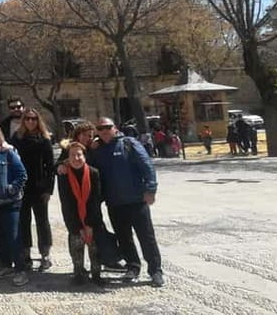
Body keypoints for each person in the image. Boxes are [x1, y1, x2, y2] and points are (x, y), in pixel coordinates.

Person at [94, 117, 164, 287]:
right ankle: (132, 266)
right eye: (100, 128)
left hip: (136, 200)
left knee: (146, 237)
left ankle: (155, 270)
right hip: (114, 203)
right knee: (124, 238)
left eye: (107, 127)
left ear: (115, 128)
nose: (104, 130)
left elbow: (147, 165)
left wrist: (151, 189)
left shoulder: (128, 143)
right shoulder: (98, 150)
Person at [0, 124, 28, 287]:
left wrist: (11, 189)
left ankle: (21, 270)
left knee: (14, 236)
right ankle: (7, 265)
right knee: (1, 236)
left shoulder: (8, 153)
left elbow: (22, 175)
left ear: (1, 137)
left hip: (10, 203)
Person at [11, 108, 55, 272]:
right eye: (27, 119)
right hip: (22, 187)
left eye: (33, 119)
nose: (30, 122)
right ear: (23, 120)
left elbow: (50, 167)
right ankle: (26, 253)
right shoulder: (17, 138)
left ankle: (45, 254)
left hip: (39, 187)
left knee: (42, 221)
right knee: (23, 221)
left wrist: (49, 189)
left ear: (38, 120)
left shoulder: (44, 139)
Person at [58, 142, 105, 286]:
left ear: (84, 156)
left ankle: (96, 274)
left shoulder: (93, 173)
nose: (76, 158)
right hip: (74, 219)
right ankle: (78, 273)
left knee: (95, 249)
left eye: (79, 154)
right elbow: (66, 203)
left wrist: (89, 224)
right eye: (72, 155)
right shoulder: (63, 175)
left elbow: (95, 201)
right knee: (76, 246)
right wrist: (77, 226)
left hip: (92, 218)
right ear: (67, 158)